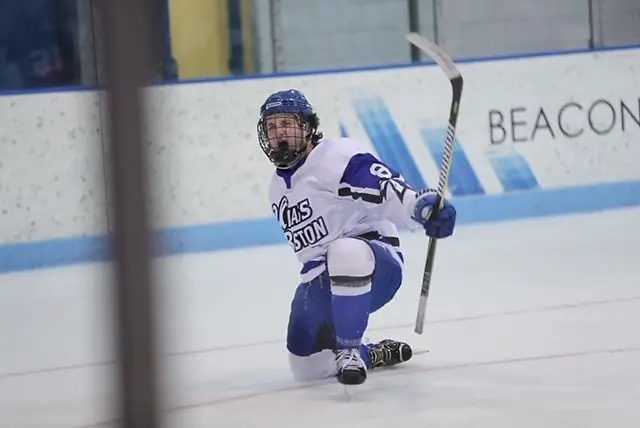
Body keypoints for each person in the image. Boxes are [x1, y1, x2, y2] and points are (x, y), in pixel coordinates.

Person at [257, 89, 457, 386]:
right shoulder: (277, 189)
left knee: (345, 252)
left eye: (287, 124)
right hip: (322, 283)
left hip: (376, 264)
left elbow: (383, 185)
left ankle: (350, 349)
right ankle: (370, 353)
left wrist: (418, 207)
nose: (279, 134)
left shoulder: (335, 157)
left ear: (308, 127)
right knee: (307, 369)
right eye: (272, 128)